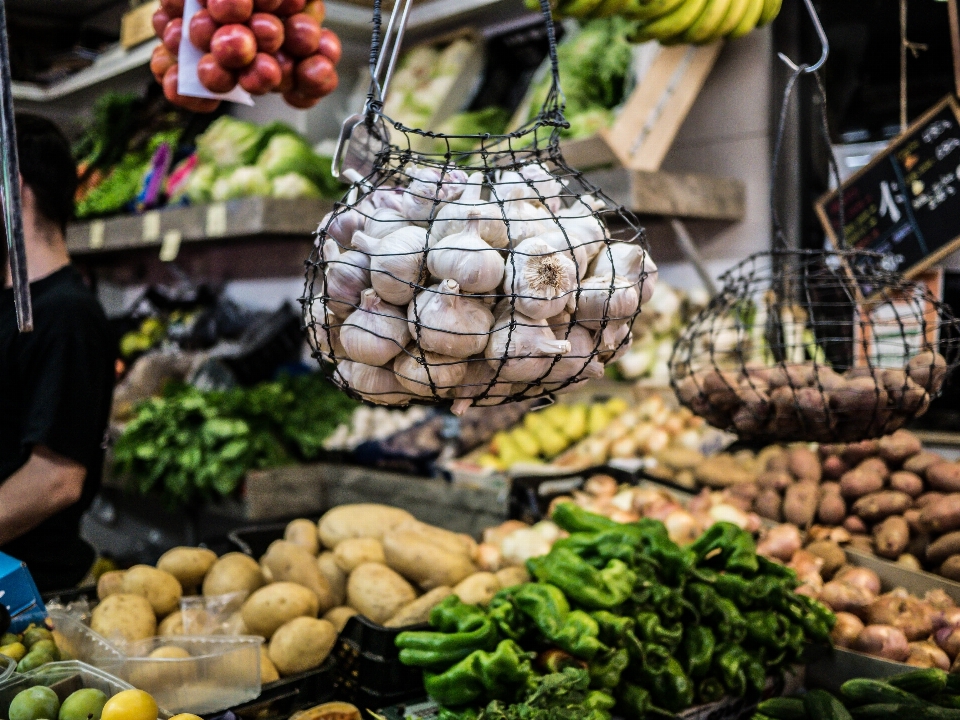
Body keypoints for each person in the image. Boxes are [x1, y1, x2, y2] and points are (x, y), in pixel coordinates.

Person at [0, 113, 115, 591]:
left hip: (25, 595)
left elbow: (54, 479)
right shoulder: (11, 303)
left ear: (14, 187)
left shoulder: (68, 315)